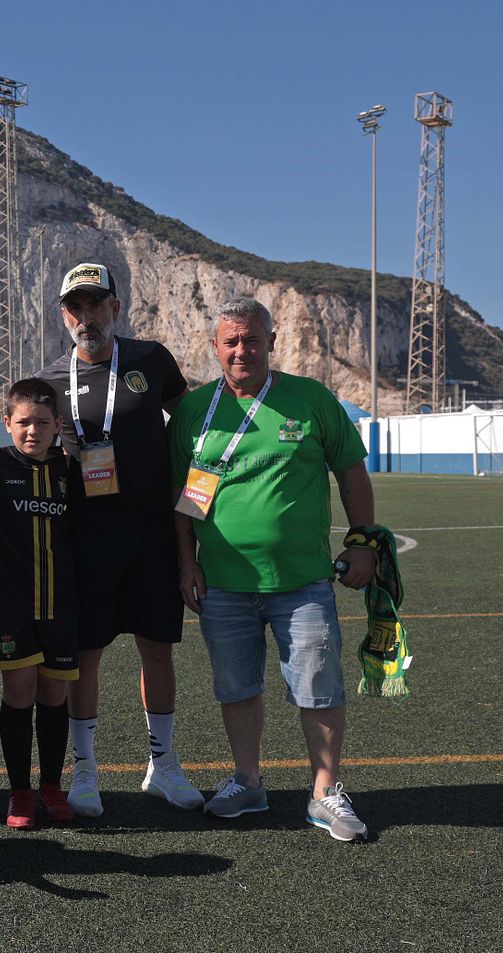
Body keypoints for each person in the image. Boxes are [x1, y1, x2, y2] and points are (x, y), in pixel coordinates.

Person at [170, 297, 377, 842]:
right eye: (231, 342)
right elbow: (187, 495)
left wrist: (362, 541)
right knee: (236, 687)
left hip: (301, 582)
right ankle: (248, 782)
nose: (243, 350)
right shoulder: (195, 411)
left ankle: (325, 792)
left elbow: (352, 474)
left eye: (252, 340)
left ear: (271, 341)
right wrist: (186, 561)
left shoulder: (309, 399)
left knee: (319, 686)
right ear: (216, 348)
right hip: (223, 583)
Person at [38, 262, 203, 816]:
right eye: (76, 307)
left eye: (96, 305)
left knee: (157, 648)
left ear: (116, 307)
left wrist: (198, 501)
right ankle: (85, 771)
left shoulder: (150, 360)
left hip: (154, 533)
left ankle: (163, 763)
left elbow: (196, 433)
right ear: (65, 315)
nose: (87, 317)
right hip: (87, 537)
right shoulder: (50, 380)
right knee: (87, 655)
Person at [0, 379, 80, 829]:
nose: (33, 431)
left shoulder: (72, 470)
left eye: (42, 423)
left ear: (57, 426)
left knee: (54, 695)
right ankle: (20, 793)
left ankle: (51, 786)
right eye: (23, 422)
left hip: (64, 607)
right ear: (6, 423)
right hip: (12, 607)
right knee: (19, 695)